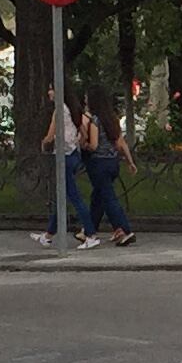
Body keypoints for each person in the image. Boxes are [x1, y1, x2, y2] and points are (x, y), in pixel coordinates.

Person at [79, 102, 136, 247]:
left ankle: (124, 229)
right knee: (99, 197)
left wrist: (83, 144)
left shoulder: (95, 120)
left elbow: (94, 145)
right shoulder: (112, 120)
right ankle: (88, 230)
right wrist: (130, 161)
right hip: (113, 162)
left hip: (99, 163)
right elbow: (121, 142)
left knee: (108, 198)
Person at [38, 89, 88, 248]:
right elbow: (84, 133)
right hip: (73, 154)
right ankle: (48, 234)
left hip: (63, 157)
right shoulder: (72, 109)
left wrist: (44, 144)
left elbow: (51, 135)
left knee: (74, 197)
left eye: (51, 88)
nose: (48, 93)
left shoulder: (59, 111)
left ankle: (90, 232)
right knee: (63, 197)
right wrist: (77, 143)